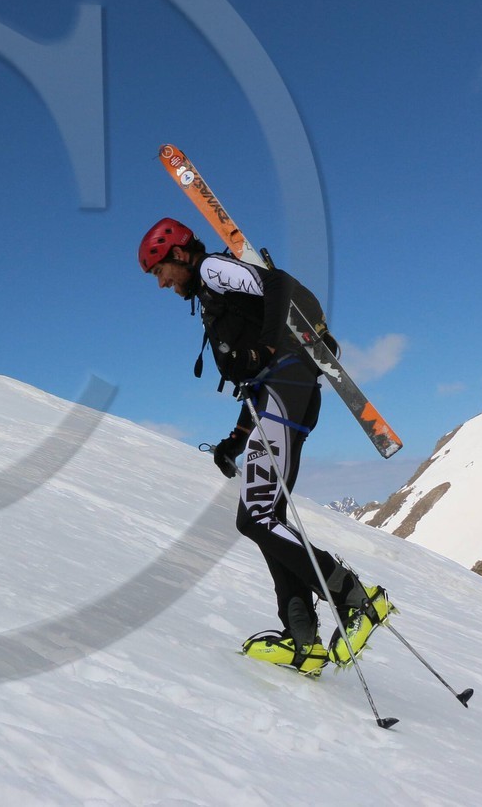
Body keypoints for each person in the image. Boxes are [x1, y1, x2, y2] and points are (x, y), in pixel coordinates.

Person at [138, 217, 390, 674]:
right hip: (277, 393)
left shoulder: (214, 269)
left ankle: (356, 599)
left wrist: (271, 349)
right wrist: (235, 439)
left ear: (177, 254)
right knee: (263, 517)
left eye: (159, 271)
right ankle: (302, 637)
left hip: (286, 385)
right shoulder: (214, 298)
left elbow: (276, 286)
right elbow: (254, 376)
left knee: (255, 516)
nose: (161, 283)